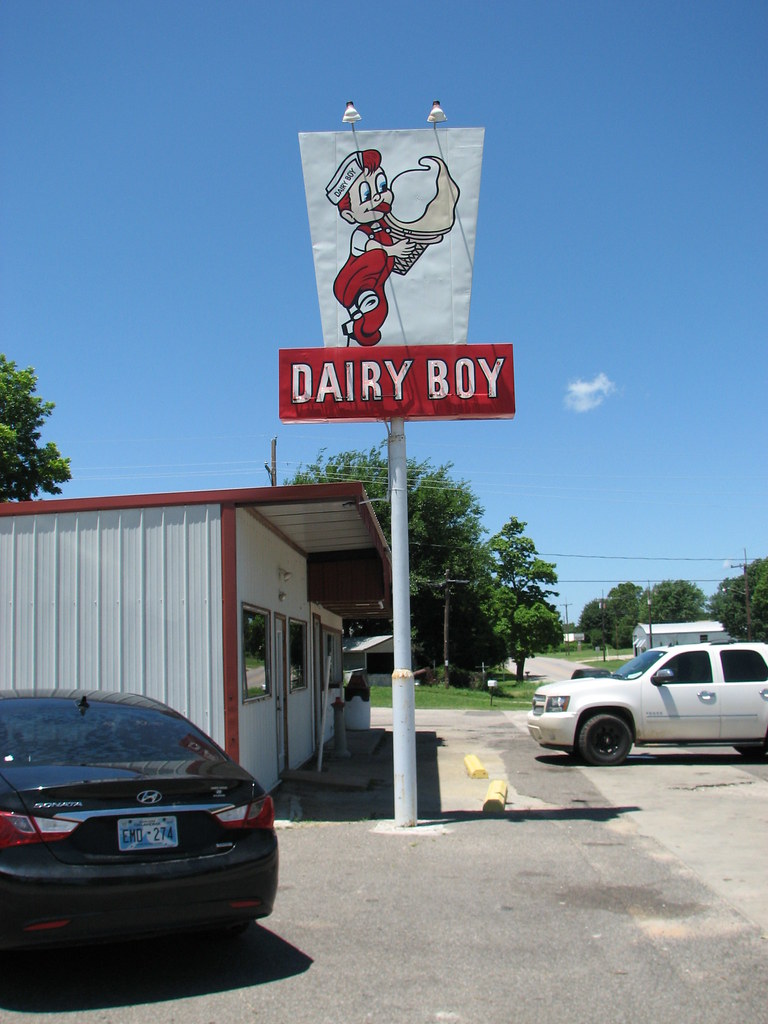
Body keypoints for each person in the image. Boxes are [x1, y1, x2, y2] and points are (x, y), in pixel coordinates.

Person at [325, 149, 416, 346]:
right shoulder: (361, 232)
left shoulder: (388, 226)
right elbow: (370, 246)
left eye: (382, 186)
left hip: (375, 285)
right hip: (349, 284)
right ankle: (362, 300)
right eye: (366, 194)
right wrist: (393, 250)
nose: (378, 197)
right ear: (349, 216)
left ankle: (360, 328)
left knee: (381, 312)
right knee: (378, 255)